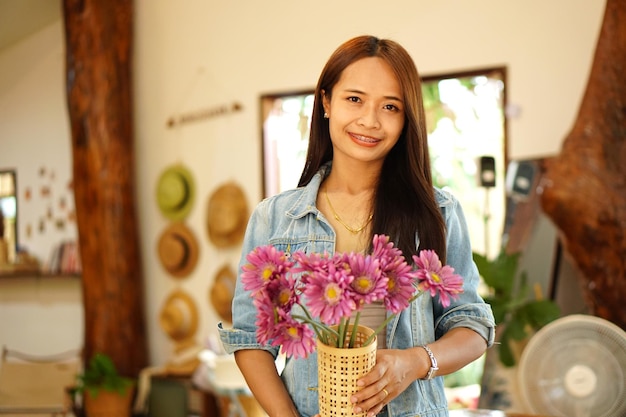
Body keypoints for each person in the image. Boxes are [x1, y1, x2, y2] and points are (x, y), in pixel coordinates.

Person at [218, 35, 495, 417]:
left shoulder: (439, 212)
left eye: (390, 106)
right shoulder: (274, 218)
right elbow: (250, 338)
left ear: (406, 118)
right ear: (326, 102)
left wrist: (414, 362)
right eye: (354, 99)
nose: (370, 120)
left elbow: (473, 326)